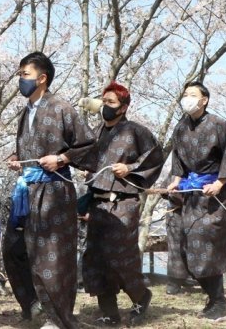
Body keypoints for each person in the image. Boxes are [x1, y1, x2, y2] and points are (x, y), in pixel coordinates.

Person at [4, 52, 95, 329]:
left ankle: (58, 319)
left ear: (42, 78)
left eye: (25, 74)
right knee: (13, 248)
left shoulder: (62, 108)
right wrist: (15, 157)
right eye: (19, 74)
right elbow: (31, 147)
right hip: (26, 190)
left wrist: (63, 158)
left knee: (52, 255)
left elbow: (89, 145)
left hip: (54, 191)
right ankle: (32, 305)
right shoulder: (25, 112)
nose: (20, 79)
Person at [76, 82, 164, 326]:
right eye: (104, 102)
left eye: (112, 103)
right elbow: (86, 160)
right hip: (97, 204)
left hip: (123, 203)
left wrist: (130, 168)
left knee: (120, 258)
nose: (106, 107)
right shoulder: (97, 132)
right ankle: (109, 312)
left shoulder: (136, 131)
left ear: (124, 107)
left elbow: (155, 157)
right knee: (96, 258)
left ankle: (140, 295)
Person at [165, 81, 226, 323]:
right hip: (191, 195)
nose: (187, 98)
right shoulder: (180, 127)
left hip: (214, 196)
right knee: (190, 249)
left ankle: (219, 301)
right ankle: (213, 298)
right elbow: (178, 161)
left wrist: (220, 184)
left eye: (193, 95)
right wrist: (175, 181)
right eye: (185, 94)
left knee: (207, 247)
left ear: (204, 100)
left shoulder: (219, 125)